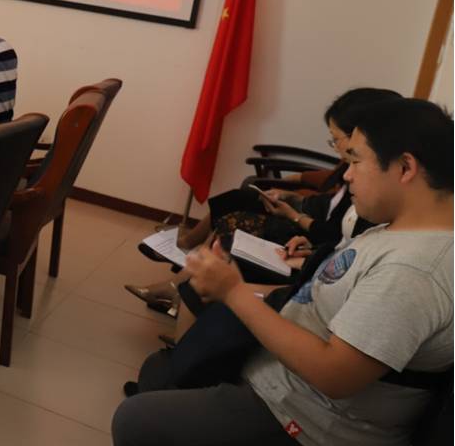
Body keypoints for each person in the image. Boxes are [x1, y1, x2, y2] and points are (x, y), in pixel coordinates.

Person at [111, 97, 453, 446]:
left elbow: (335, 375)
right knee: (160, 372)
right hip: (289, 395)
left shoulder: (415, 270)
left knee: (134, 423)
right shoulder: (399, 232)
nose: (346, 174)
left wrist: (234, 293)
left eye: (355, 161)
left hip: (314, 433)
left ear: (405, 168)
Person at [125, 88, 402, 313]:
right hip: (309, 221)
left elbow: (332, 232)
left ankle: (182, 284)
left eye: (335, 139)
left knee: (233, 224)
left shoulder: (369, 190)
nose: (334, 145)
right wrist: (291, 192)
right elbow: (325, 184)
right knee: (241, 196)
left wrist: (294, 216)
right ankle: (186, 252)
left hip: (309, 234)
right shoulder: (349, 167)